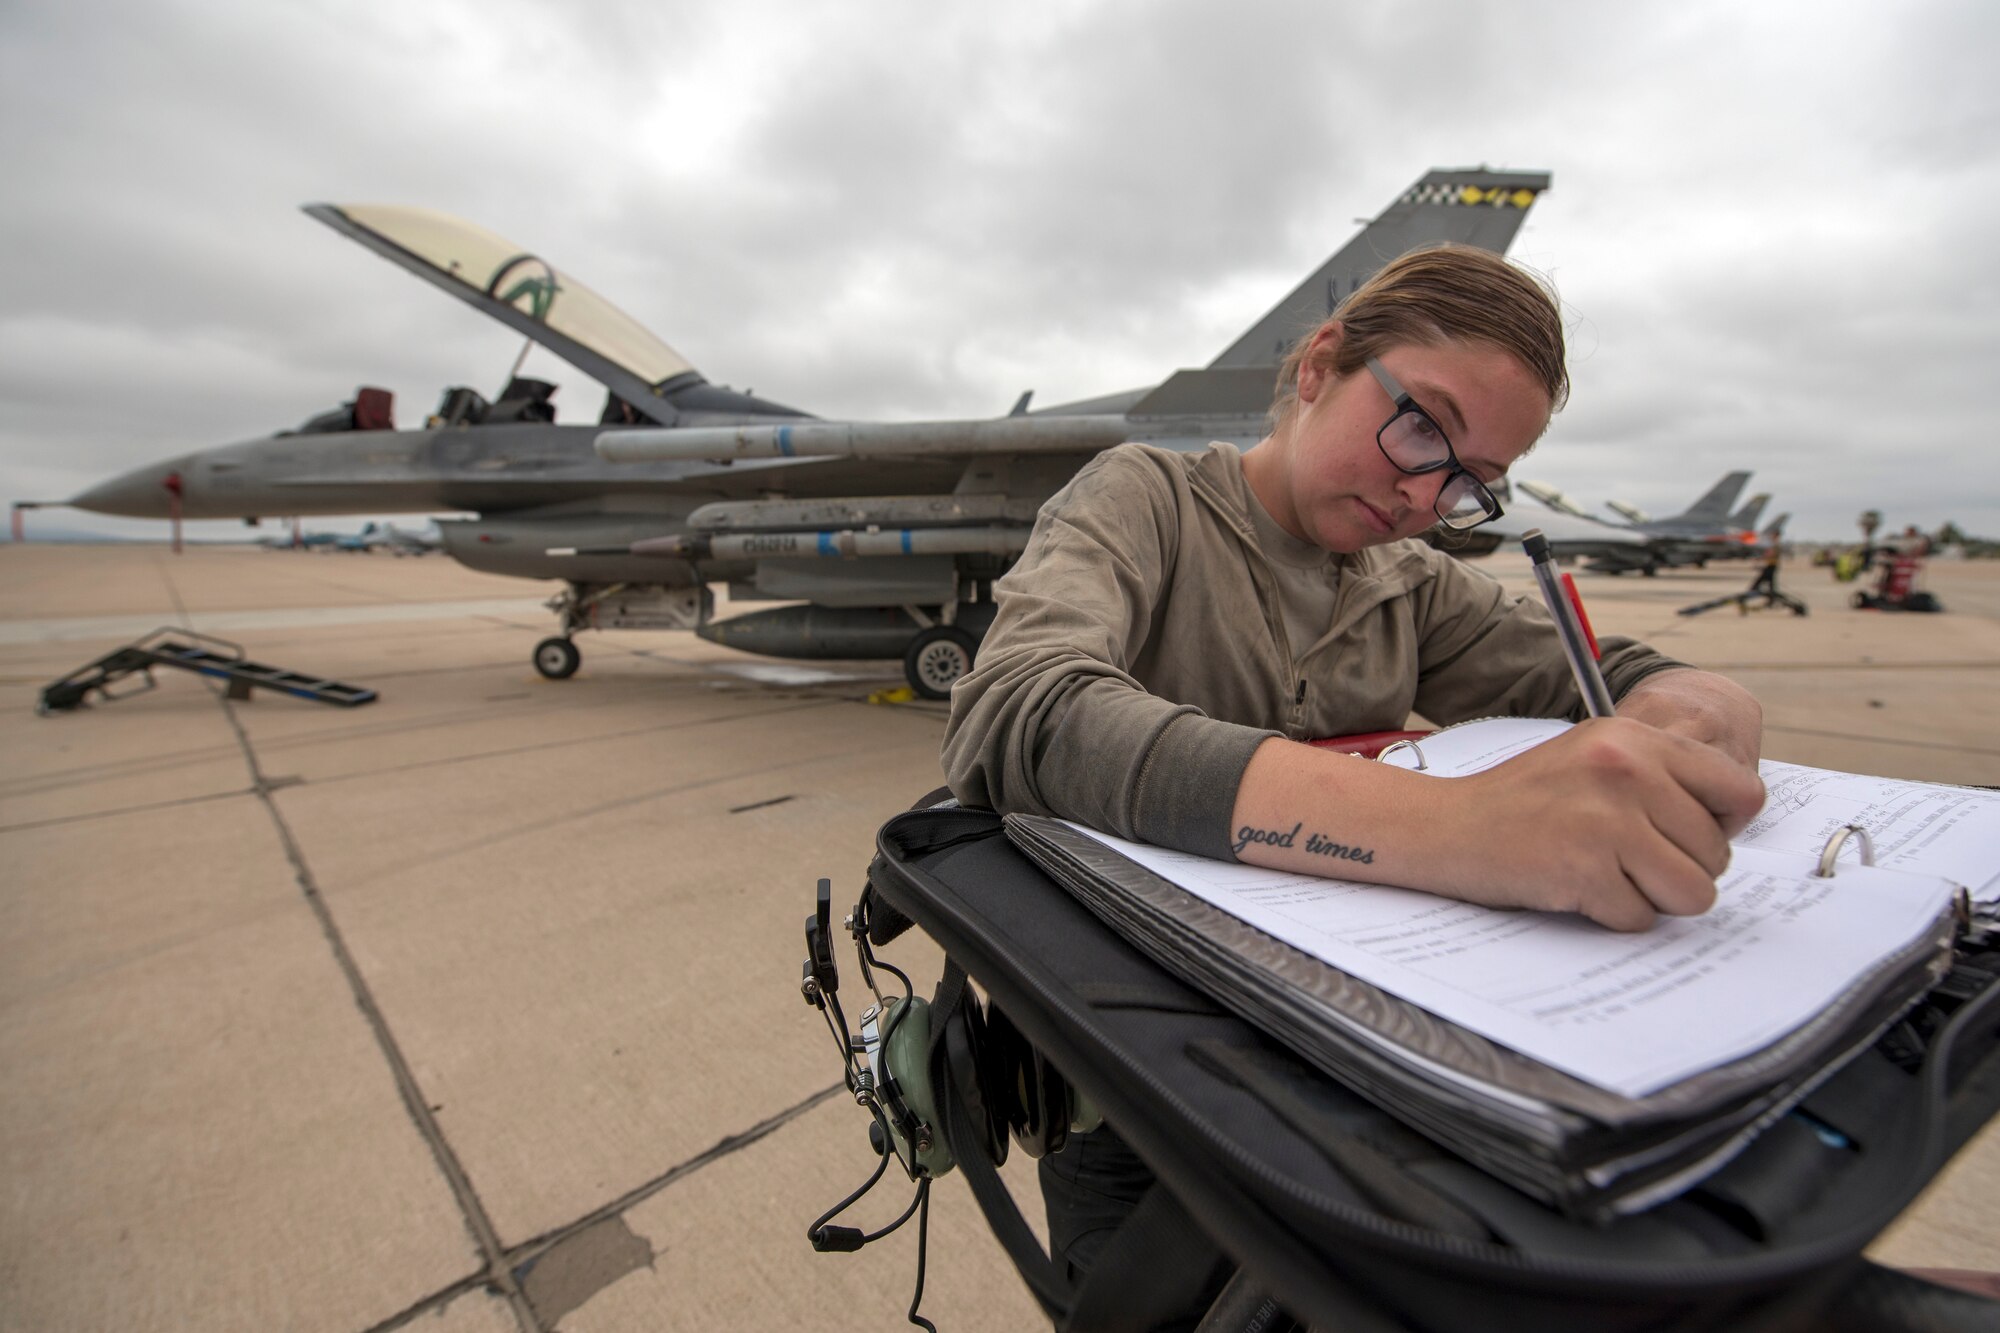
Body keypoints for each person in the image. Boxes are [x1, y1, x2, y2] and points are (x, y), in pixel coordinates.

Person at [939, 244, 1765, 1306]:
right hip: (1134, 1078)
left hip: (1344, 1085)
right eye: (1422, 425)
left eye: (1471, 482)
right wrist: (1461, 829)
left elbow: (1593, 680)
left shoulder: (1407, 581)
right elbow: (1017, 714)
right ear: (1320, 365)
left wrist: (1688, 696)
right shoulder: (1145, 498)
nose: (1426, 493)